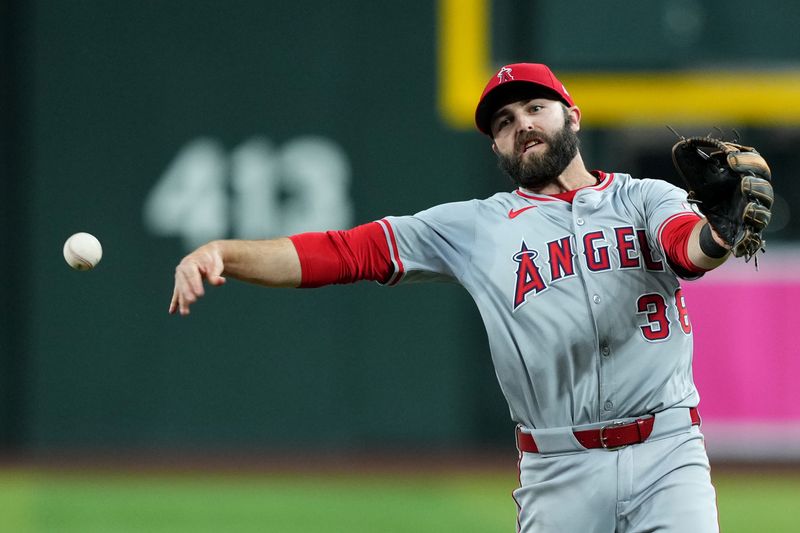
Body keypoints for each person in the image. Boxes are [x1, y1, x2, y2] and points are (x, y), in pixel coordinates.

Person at [170, 63, 735, 532]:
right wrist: (226, 252)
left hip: (668, 454)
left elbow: (687, 250)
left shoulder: (644, 197)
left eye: (535, 108)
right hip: (561, 468)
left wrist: (721, 233)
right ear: (496, 143)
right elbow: (344, 252)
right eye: (504, 121)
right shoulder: (476, 226)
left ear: (572, 115)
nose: (523, 125)